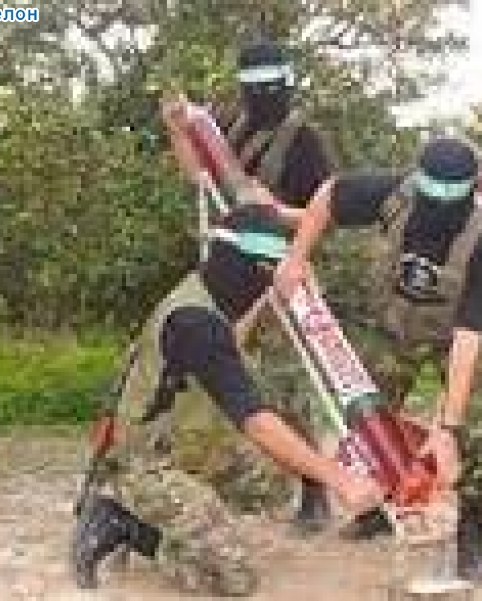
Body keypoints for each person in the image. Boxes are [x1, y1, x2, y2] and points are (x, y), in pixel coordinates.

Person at [69, 97, 382, 597]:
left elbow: (230, 343)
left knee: (272, 483)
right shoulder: (195, 322)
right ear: (250, 267)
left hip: (178, 441)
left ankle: (183, 510)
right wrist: (339, 478)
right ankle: (124, 522)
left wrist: (271, 297)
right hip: (143, 460)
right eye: (265, 274)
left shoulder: (206, 292)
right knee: (234, 576)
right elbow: (255, 420)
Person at [274, 136, 482, 584]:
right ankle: (376, 511)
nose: (437, 206)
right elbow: (328, 195)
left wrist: (448, 428)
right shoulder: (391, 193)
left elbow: (467, 340)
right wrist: (296, 257)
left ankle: (471, 536)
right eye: (430, 193)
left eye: (450, 197)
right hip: (392, 327)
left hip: (451, 336)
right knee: (365, 417)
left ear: (470, 192)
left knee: (478, 427)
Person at [206, 33, 341, 534]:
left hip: (284, 273)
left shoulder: (305, 141)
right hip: (228, 274)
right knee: (220, 374)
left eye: (271, 84)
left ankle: (314, 493)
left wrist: (275, 210)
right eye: (253, 85)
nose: (262, 95)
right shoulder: (232, 129)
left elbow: (326, 213)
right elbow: (204, 179)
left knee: (290, 384)